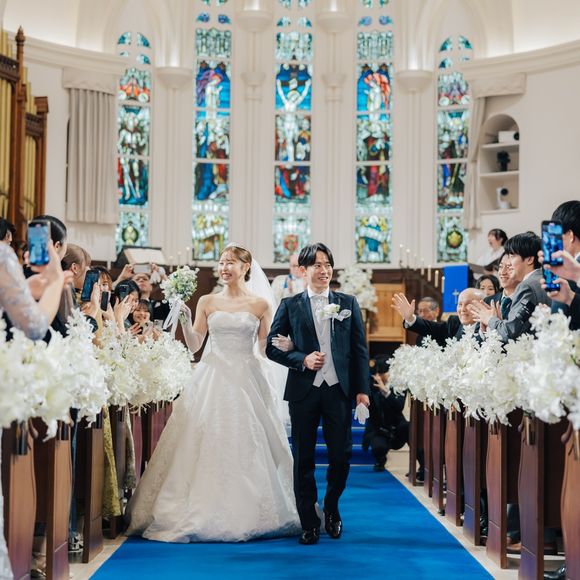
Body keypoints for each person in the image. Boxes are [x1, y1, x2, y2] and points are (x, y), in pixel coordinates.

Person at [126, 243, 299, 542]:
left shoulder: (260, 305)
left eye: (231, 262)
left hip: (246, 377)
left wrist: (288, 346)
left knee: (249, 440)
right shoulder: (207, 301)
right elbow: (196, 344)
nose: (224, 267)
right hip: (212, 376)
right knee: (200, 439)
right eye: (221, 262)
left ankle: (250, 508)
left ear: (246, 267)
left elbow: (263, 348)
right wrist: (184, 318)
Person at [266, 242, 370, 546]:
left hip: (338, 391)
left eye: (328, 265)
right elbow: (271, 347)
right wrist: (302, 359)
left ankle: (332, 508)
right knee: (303, 459)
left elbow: (359, 351)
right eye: (317, 265)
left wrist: (362, 391)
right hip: (304, 392)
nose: (324, 270)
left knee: (341, 456)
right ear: (303, 270)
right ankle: (308, 522)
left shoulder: (348, 303)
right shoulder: (290, 305)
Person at [470, 232, 551, 341]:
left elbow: (509, 332)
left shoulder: (527, 286)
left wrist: (488, 318)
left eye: (512, 256)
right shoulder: (544, 279)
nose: (509, 263)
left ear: (529, 259)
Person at [391, 288, 485, 344]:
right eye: (460, 304)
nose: (463, 309)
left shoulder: (488, 327)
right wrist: (410, 318)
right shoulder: (454, 323)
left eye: (468, 304)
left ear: (482, 305)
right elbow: (431, 328)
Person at [363, 356, 408, 472]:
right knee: (378, 447)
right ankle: (380, 460)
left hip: (396, 427)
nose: (378, 377)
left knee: (408, 427)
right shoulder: (370, 385)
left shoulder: (398, 385)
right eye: (376, 374)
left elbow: (399, 406)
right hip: (379, 429)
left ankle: (422, 466)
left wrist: (386, 391)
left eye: (381, 374)